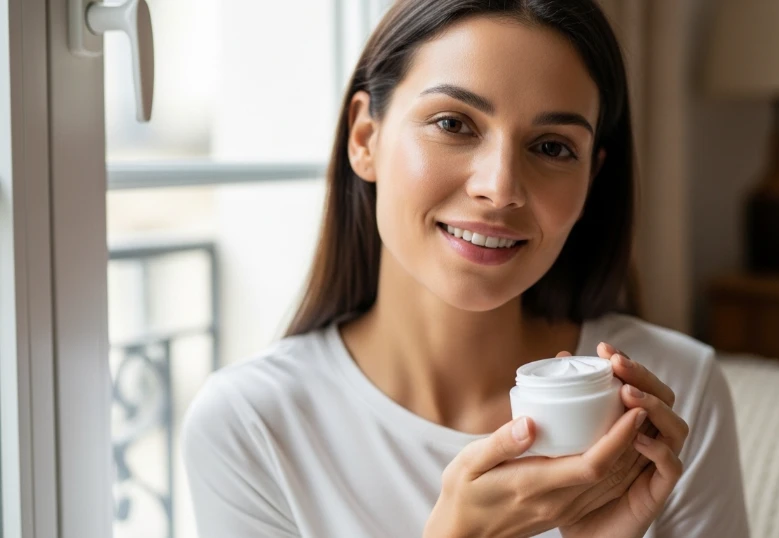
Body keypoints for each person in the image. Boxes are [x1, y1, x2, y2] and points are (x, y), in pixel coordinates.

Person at [180, 0, 749, 536]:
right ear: (365, 138)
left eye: (552, 147)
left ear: (590, 181)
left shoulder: (673, 395)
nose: (500, 188)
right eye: (453, 123)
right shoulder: (250, 424)